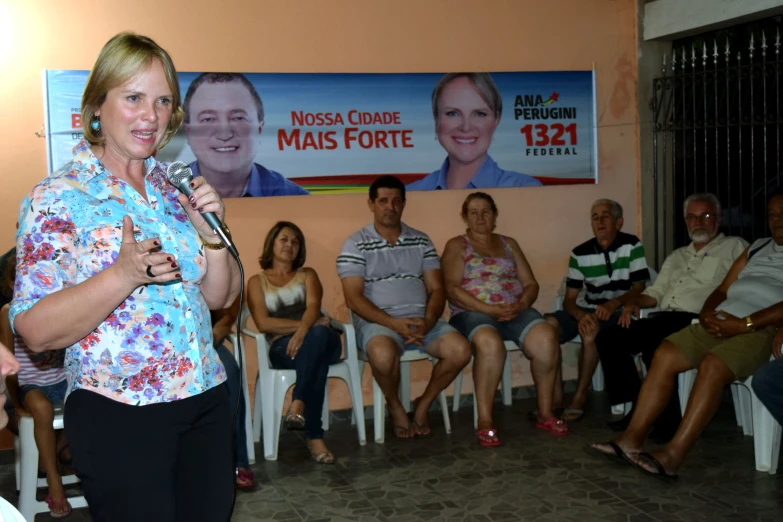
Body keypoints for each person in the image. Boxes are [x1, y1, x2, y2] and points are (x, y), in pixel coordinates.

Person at [10, 33, 241, 522]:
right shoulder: (58, 198)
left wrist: (212, 239)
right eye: (133, 97)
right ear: (97, 106)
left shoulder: (174, 185)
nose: (151, 115)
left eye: (162, 101)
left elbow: (220, 298)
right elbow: (33, 330)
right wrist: (123, 274)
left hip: (205, 399)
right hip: (121, 412)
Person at [592, 189, 783, 478]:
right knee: (665, 353)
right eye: (771, 215)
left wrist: (744, 324)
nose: (777, 221)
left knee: (712, 365)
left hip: (759, 328)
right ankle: (630, 440)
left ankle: (673, 453)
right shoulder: (756, 247)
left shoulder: (734, 244)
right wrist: (708, 315)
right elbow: (722, 289)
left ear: (718, 219)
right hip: (720, 318)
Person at [597, 193, 747, 441]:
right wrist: (633, 302)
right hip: (663, 318)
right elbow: (655, 292)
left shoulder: (735, 247)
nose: (698, 222)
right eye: (692, 217)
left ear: (718, 219)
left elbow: (742, 287)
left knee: (651, 350)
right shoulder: (677, 255)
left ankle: (662, 422)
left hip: (696, 321)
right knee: (609, 338)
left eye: (705, 215)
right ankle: (641, 406)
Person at [337, 175, 472, 438]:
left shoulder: (421, 241)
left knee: (460, 350)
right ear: (371, 204)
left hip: (423, 322)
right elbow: (353, 299)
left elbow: (436, 289)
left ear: (404, 204)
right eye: (383, 201)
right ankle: (396, 405)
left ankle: (423, 403)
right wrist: (394, 324)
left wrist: (429, 321)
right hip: (378, 324)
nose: (391, 207)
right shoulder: (355, 243)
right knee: (383, 356)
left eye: (397, 201)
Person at [442, 192, 569, 443]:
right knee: (490, 344)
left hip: (514, 311)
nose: (480, 217)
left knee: (545, 337)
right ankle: (485, 420)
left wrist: (521, 304)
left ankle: (545, 413)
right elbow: (452, 289)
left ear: (495, 215)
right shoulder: (457, 245)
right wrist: (488, 309)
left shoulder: (509, 243)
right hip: (471, 313)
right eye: (474, 212)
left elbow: (530, 283)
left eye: (486, 211)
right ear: (465, 217)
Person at [544, 199, 649, 421]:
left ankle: (580, 397)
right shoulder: (579, 253)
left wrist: (615, 303)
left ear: (618, 222)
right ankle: (556, 395)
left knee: (590, 333)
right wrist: (582, 316)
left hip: (618, 311)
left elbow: (640, 286)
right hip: (588, 308)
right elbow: (569, 300)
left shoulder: (631, 245)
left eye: (605, 216)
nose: (599, 221)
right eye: (595, 217)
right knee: (548, 327)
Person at [247, 221, 342, 463]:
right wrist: (302, 330)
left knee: (318, 339)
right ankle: (315, 437)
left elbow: (313, 307)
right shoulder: (257, 282)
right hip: (282, 347)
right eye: (284, 239)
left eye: (295, 242)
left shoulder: (307, 274)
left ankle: (298, 400)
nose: (290, 245)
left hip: (322, 340)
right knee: (315, 359)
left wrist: (303, 333)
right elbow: (264, 323)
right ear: (272, 244)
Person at [1, 248, 73, 518]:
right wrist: (17, 402)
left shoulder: (56, 309)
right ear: (11, 286)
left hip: (62, 382)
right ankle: (54, 481)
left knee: (87, 402)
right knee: (40, 409)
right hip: (32, 387)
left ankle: (57, 455)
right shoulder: (9, 312)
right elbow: (9, 366)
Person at [407, 73, 542, 191]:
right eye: (453, 113)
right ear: (436, 119)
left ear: (496, 120)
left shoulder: (526, 189)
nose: (466, 127)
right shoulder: (410, 193)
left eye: (479, 114)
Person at [183, 72, 309, 198]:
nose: (224, 134)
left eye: (238, 118)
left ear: (259, 129)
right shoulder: (166, 194)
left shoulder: (294, 197)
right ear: (188, 132)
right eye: (208, 119)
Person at [210, 297, 256, 489]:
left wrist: (215, 332)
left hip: (206, 344)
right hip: (159, 349)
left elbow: (226, 317)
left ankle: (239, 462)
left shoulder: (192, 276)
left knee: (229, 372)